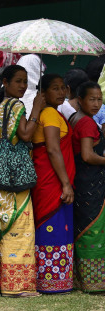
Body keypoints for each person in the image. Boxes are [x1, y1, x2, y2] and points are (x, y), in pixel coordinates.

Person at [0, 65, 44, 297]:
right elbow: (26, 134)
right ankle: (17, 286)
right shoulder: (16, 105)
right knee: (21, 226)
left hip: (1, 177)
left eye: (25, 81)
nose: (22, 86)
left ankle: (10, 283)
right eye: (18, 81)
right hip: (14, 176)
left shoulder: (0, 105)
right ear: (5, 83)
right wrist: (37, 109)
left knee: (8, 226)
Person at [31, 74, 75, 294]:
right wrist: (66, 184)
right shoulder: (48, 113)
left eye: (62, 88)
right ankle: (50, 281)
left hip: (53, 178)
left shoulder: (55, 113)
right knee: (52, 222)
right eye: (54, 89)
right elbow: (52, 149)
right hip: (52, 180)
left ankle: (57, 279)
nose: (60, 92)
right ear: (43, 93)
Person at [68, 81, 105, 293]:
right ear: (80, 100)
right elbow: (88, 155)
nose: (96, 103)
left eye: (99, 99)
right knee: (93, 227)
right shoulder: (88, 123)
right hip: (90, 182)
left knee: (83, 225)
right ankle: (94, 280)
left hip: (82, 181)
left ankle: (80, 278)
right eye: (91, 99)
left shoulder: (75, 118)